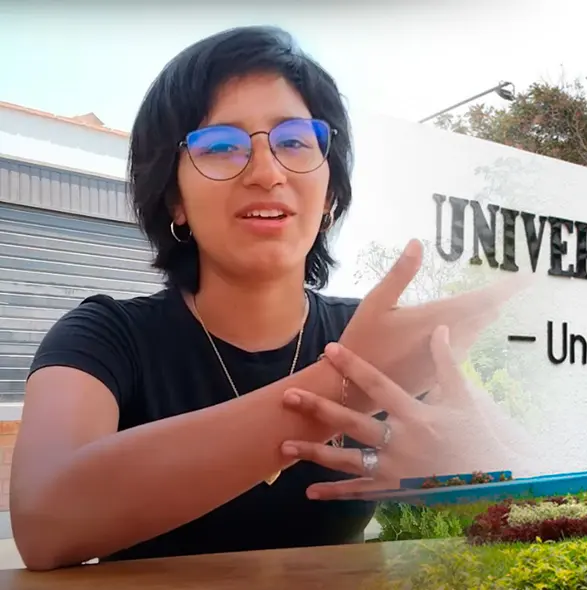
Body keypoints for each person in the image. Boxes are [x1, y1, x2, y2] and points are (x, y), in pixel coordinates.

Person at [10, 25, 521, 571]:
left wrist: (465, 476)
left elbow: (532, 483)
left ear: (329, 196)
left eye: (295, 141)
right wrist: (341, 387)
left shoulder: (373, 334)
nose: (267, 172)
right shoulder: (105, 337)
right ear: (174, 200)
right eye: (221, 146)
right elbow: (43, 521)